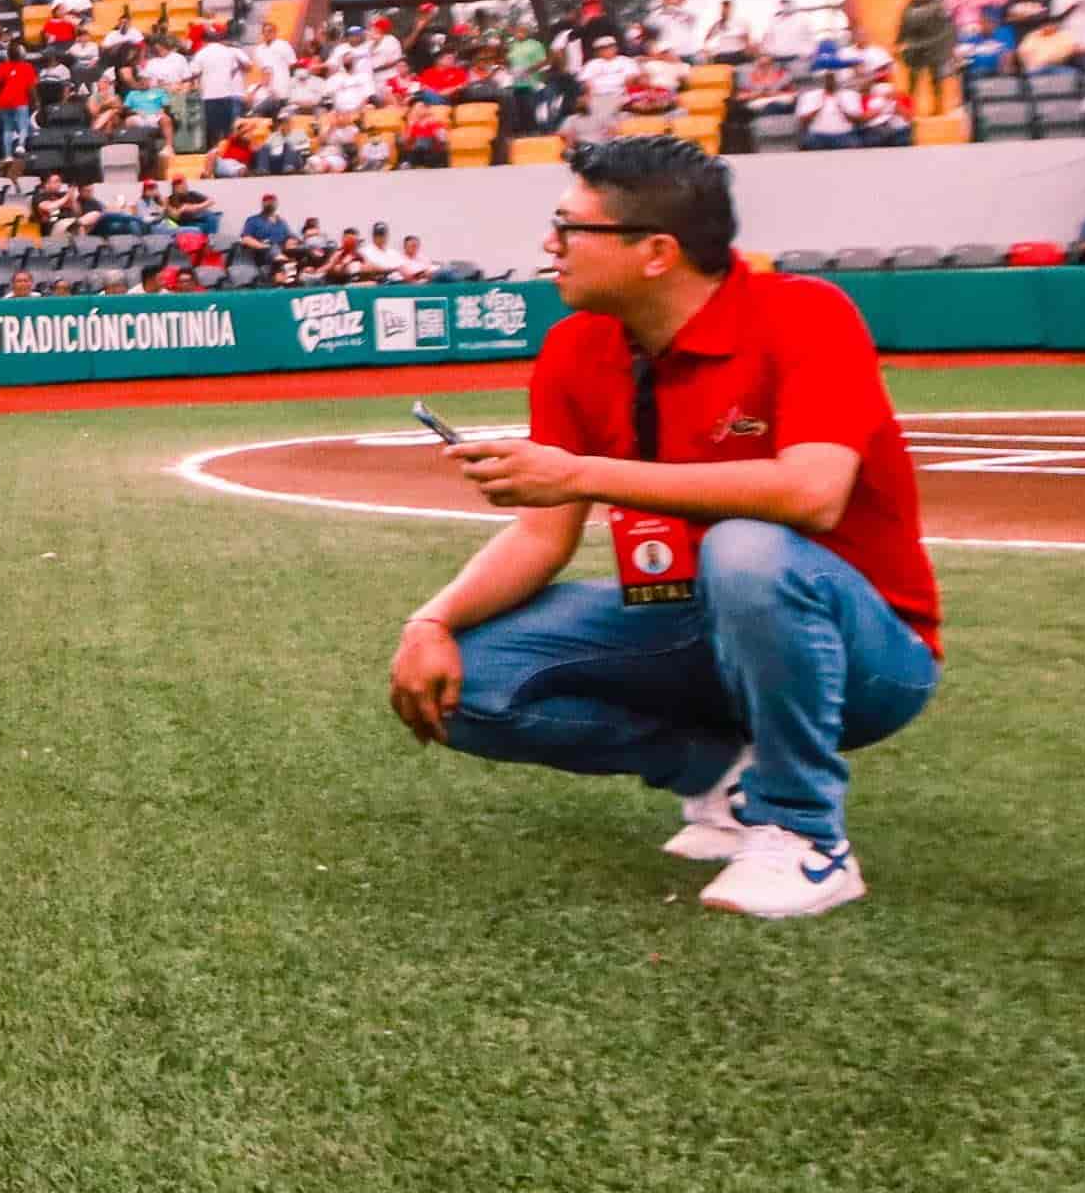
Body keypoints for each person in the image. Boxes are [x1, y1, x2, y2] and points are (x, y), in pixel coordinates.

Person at [380, 136, 941, 920]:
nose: (550, 245)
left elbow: (813, 494)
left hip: (867, 660)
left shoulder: (806, 314)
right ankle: (723, 777)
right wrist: (431, 618)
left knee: (747, 549)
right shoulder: (577, 346)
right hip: (698, 626)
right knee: (462, 680)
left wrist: (580, 472)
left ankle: (807, 835)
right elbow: (544, 536)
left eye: (569, 227)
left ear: (656, 252)